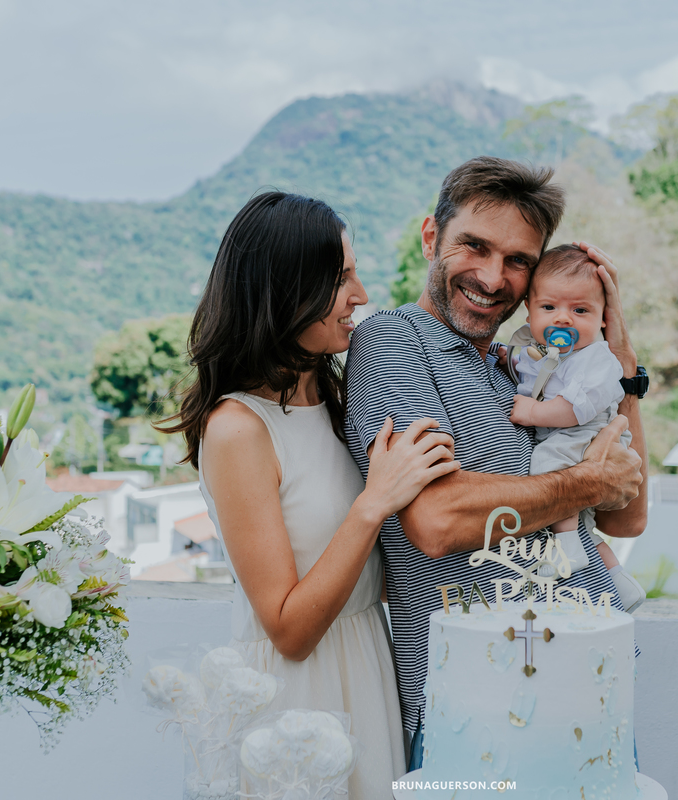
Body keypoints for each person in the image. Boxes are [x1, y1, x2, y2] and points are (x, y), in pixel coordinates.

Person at [343, 157, 649, 770]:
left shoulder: (529, 367)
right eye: (473, 247)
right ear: (432, 238)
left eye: (518, 262)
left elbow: (627, 516)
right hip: (477, 705)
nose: (491, 277)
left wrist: (617, 349)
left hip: (595, 687)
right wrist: (585, 482)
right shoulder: (393, 341)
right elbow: (437, 520)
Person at [159, 192, 459, 798]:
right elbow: (288, 629)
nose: (362, 295)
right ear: (284, 292)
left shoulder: (331, 393)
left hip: (371, 667)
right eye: (341, 278)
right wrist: (375, 502)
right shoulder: (237, 429)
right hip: (299, 700)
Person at [507, 244, 648, 612]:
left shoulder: (597, 359)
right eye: (549, 308)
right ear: (529, 309)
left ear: (604, 318)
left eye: (580, 310)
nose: (564, 319)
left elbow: (575, 409)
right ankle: (619, 581)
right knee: (585, 520)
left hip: (582, 434)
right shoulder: (535, 353)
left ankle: (567, 550)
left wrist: (534, 413)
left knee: (546, 466)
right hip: (568, 433)